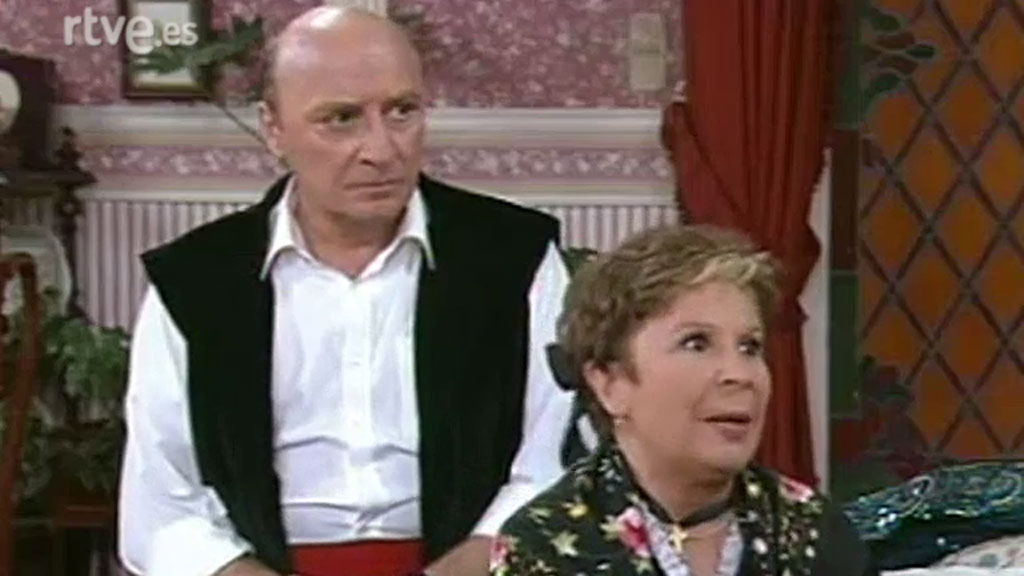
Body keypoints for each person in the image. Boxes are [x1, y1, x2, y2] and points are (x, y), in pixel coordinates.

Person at [117, 6, 576, 576]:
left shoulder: (516, 256)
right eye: (341, 119)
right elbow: (162, 509)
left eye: (402, 111)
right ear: (273, 129)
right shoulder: (195, 280)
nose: (382, 150)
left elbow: (555, 464)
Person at [489, 224, 877, 576]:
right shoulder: (544, 545)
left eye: (750, 347)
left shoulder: (815, 533)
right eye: (696, 343)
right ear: (609, 383)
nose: (739, 374)